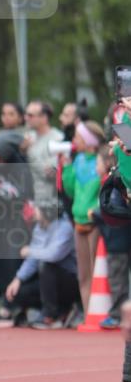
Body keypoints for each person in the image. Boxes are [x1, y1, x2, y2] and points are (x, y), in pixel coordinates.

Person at [0, 128, 33, 322]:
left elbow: (20, 195)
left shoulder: (20, 167)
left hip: (17, 223)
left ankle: (14, 306)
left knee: (12, 263)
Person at [3, 201, 80, 329]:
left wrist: (30, 251)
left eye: (37, 209)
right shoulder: (39, 227)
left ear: (48, 213)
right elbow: (32, 260)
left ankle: (51, 315)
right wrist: (18, 279)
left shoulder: (64, 228)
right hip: (49, 280)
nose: (34, 212)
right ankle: (44, 311)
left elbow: (53, 255)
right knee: (18, 293)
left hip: (70, 279)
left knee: (46, 265)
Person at [61, 121, 106, 314]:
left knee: (98, 270)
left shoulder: (101, 160)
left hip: (94, 222)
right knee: (84, 272)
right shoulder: (77, 159)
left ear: (89, 140)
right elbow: (70, 190)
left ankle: (101, 311)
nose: (73, 140)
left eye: (78, 137)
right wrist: (67, 169)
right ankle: (89, 313)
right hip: (78, 220)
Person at [92, 145, 131, 329]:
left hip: (118, 241)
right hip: (115, 238)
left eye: (98, 162)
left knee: (118, 278)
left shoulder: (117, 182)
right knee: (118, 278)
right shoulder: (111, 182)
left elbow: (113, 210)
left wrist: (96, 214)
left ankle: (118, 314)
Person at [24, 99, 63, 205]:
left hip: (48, 204)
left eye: (30, 115)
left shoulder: (57, 139)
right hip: (29, 202)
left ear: (44, 118)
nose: (26, 118)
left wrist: (29, 151)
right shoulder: (28, 137)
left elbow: (49, 173)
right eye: (26, 115)